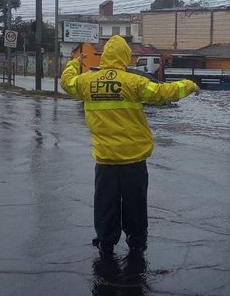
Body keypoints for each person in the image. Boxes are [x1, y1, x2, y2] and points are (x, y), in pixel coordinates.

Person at [61, 35, 200, 259]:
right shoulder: (133, 82)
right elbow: (163, 93)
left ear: (105, 57)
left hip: (105, 158)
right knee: (135, 204)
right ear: (125, 56)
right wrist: (188, 85)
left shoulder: (88, 82)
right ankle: (137, 244)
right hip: (133, 158)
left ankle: (106, 242)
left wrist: (74, 63)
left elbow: (67, 83)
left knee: (105, 204)